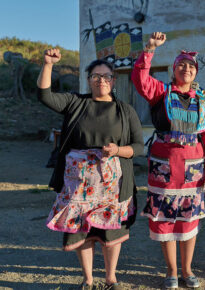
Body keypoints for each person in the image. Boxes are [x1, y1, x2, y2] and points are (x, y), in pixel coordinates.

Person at [37, 48, 144, 290]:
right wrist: (48, 65)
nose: (101, 81)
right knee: (82, 230)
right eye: (96, 76)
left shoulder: (125, 111)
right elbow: (45, 96)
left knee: (111, 233)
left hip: (112, 185)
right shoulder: (76, 102)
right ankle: (88, 279)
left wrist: (117, 151)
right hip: (78, 183)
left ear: (113, 81)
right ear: (88, 80)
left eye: (107, 77)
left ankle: (111, 278)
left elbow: (138, 147)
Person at [131, 32, 205, 289]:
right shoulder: (161, 92)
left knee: (189, 218)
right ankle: (171, 271)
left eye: (191, 66)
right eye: (181, 64)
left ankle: (187, 270)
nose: (186, 69)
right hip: (164, 163)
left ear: (196, 72)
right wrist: (149, 50)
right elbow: (139, 80)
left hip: (193, 166)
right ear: (174, 69)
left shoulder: (202, 100)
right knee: (165, 217)